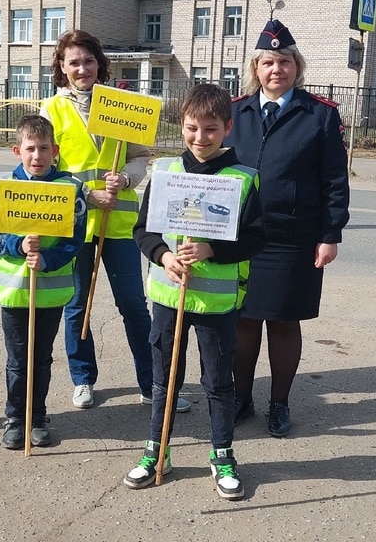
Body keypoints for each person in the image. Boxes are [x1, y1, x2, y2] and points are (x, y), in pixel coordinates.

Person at [123, 83, 266, 500]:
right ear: (180, 126)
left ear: (227, 128)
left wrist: (212, 249)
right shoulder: (167, 172)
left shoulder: (243, 179)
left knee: (219, 382)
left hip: (218, 303)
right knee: (165, 378)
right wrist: (164, 256)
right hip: (169, 298)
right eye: (191, 128)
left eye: (210, 129)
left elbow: (256, 239)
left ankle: (222, 454)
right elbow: (143, 231)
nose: (200, 138)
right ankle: (157, 449)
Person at [40, 29, 190, 414]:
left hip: (120, 225)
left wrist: (125, 178)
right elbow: (46, 170)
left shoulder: (122, 105)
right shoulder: (51, 110)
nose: (82, 68)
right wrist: (86, 194)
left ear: (99, 64)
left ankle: (150, 382)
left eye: (88, 61)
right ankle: (83, 379)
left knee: (134, 306)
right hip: (74, 224)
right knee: (77, 306)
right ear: (61, 66)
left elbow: (142, 156)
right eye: (73, 62)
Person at [223, 19, 351, 438]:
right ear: (255, 68)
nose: (276, 69)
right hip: (239, 235)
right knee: (241, 321)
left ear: (297, 66)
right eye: (268, 62)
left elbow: (335, 181)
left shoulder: (319, 115)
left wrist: (330, 234)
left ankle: (279, 404)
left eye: (284, 61)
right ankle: (242, 400)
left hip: (291, 238)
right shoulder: (234, 113)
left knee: (282, 323)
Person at [0, 115, 88, 450]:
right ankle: (15, 419)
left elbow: (75, 240)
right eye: (30, 149)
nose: (37, 156)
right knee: (17, 360)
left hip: (50, 292)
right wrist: (17, 245)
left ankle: (37, 417)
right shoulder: (0, 189)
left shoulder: (69, 189)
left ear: (55, 150)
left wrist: (47, 260)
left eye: (44, 148)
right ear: (17, 151)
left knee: (41, 358)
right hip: (13, 292)